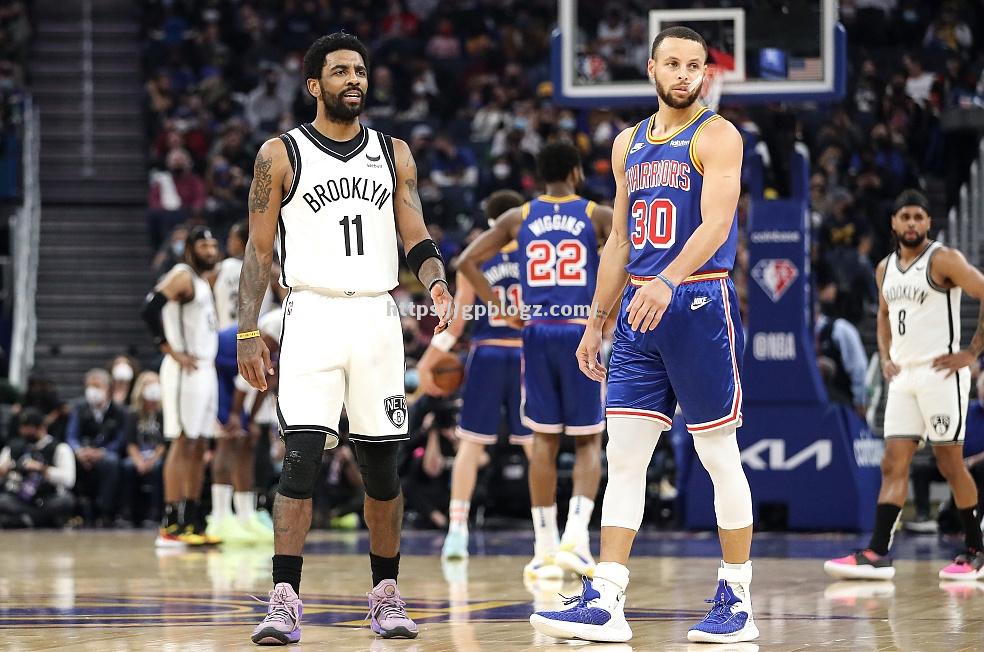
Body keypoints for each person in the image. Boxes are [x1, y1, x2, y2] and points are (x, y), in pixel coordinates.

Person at [530, 27, 757, 644]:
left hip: (698, 301)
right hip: (637, 308)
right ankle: (607, 598)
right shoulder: (627, 143)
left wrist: (668, 279)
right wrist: (595, 321)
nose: (684, 74)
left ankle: (737, 597)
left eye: (694, 65)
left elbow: (717, 223)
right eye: (673, 63)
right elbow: (619, 240)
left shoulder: (718, 135)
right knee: (624, 458)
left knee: (717, 455)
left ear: (705, 73)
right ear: (652, 69)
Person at [237, 33, 453, 645]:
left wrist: (437, 283)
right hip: (311, 313)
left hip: (377, 318)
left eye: (359, 70)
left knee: (382, 469)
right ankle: (284, 598)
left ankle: (385, 593)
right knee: (300, 461)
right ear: (315, 85)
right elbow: (257, 251)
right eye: (340, 71)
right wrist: (249, 330)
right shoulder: (279, 154)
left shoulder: (393, 152)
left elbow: (415, 230)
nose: (354, 79)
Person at [458, 142, 612, 582]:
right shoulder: (595, 214)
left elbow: (466, 261)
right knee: (587, 440)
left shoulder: (519, 216)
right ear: (577, 172)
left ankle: (544, 549)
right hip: (580, 329)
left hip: (537, 330)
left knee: (543, 439)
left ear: (540, 176)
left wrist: (499, 308)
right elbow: (629, 257)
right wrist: (608, 312)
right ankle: (576, 540)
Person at [825, 189, 984, 582]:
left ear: (928, 222)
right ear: (893, 222)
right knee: (892, 463)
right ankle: (878, 552)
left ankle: (976, 549)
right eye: (905, 216)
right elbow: (883, 314)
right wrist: (886, 354)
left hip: (941, 374)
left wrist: (971, 352)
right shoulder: (884, 268)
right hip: (904, 377)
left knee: (949, 463)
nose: (911, 223)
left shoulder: (944, 259)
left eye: (918, 216)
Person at [415, 190, 531, 560]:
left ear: (490, 221)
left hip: (487, 353)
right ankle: (550, 533)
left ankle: (457, 530)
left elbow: (458, 322)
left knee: (471, 443)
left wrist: (428, 361)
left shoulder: (478, 254)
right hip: (527, 352)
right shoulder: (535, 250)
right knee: (536, 445)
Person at [140, 226, 222, 547]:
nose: (210, 250)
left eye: (213, 245)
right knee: (182, 440)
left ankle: (192, 519)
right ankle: (171, 522)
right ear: (189, 248)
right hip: (184, 369)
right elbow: (150, 307)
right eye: (203, 245)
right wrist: (170, 350)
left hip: (205, 368)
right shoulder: (182, 275)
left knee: (199, 444)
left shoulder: (202, 281)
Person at [65, 369, 127, 526]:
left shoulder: (119, 411)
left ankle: (105, 512)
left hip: (105, 453)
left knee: (111, 462)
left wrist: (102, 452)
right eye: (89, 386)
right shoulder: (79, 408)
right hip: (83, 452)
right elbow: (71, 436)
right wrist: (79, 451)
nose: (92, 390)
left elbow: (121, 439)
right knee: (69, 459)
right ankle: (76, 511)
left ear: (108, 389)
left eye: (96, 386)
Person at [0, 408, 76, 528]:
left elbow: (69, 480)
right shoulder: (13, 447)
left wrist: (42, 469)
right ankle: (38, 520)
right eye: (22, 427)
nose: (23, 431)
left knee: (66, 500)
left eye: (28, 427)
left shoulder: (60, 448)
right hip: (18, 498)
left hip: (46, 499)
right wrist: (4, 470)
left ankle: (26, 520)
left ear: (41, 427)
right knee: (3, 500)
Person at [120, 372, 166, 526]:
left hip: (157, 456)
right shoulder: (132, 413)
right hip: (139, 455)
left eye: (155, 383)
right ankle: (126, 513)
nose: (152, 387)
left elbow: (164, 443)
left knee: (159, 468)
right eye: (148, 383)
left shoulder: (164, 412)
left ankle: (155, 513)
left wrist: (152, 460)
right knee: (127, 467)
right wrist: (139, 461)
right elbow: (130, 442)